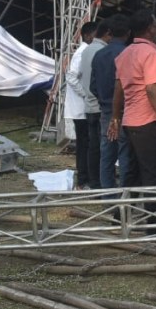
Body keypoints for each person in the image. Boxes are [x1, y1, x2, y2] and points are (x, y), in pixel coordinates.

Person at [108, 9, 156, 226]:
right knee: (153, 175)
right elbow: (151, 88)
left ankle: (121, 217)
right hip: (146, 121)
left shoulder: (125, 53)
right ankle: (154, 225)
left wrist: (115, 117)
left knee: (132, 172)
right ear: (150, 29)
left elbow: (118, 88)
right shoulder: (149, 54)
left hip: (129, 122)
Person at [90, 14, 134, 193]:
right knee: (125, 154)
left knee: (107, 155)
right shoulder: (128, 53)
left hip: (106, 110)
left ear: (110, 32)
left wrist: (103, 99)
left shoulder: (99, 55)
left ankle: (108, 196)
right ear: (128, 32)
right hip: (127, 110)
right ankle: (125, 195)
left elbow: (92, 86)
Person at [65, 22, 98, 189]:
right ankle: (83, 179)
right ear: (87, 36)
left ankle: (86, 176)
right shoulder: (82, 52)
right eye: (95, 35)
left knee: (87, 143)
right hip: (81, 106)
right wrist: (86, 94)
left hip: (84, 106)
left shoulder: (88, 51)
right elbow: (70, 77)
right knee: (85, 144)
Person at [77, 21, 108, 190]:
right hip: (99, 106)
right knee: (102, 148)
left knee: (93, 147)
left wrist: (86, 93)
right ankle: (99, 182)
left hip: (90, 105)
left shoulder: (87, 50)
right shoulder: (102, 51)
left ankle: (94, 181)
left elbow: (82, 76)